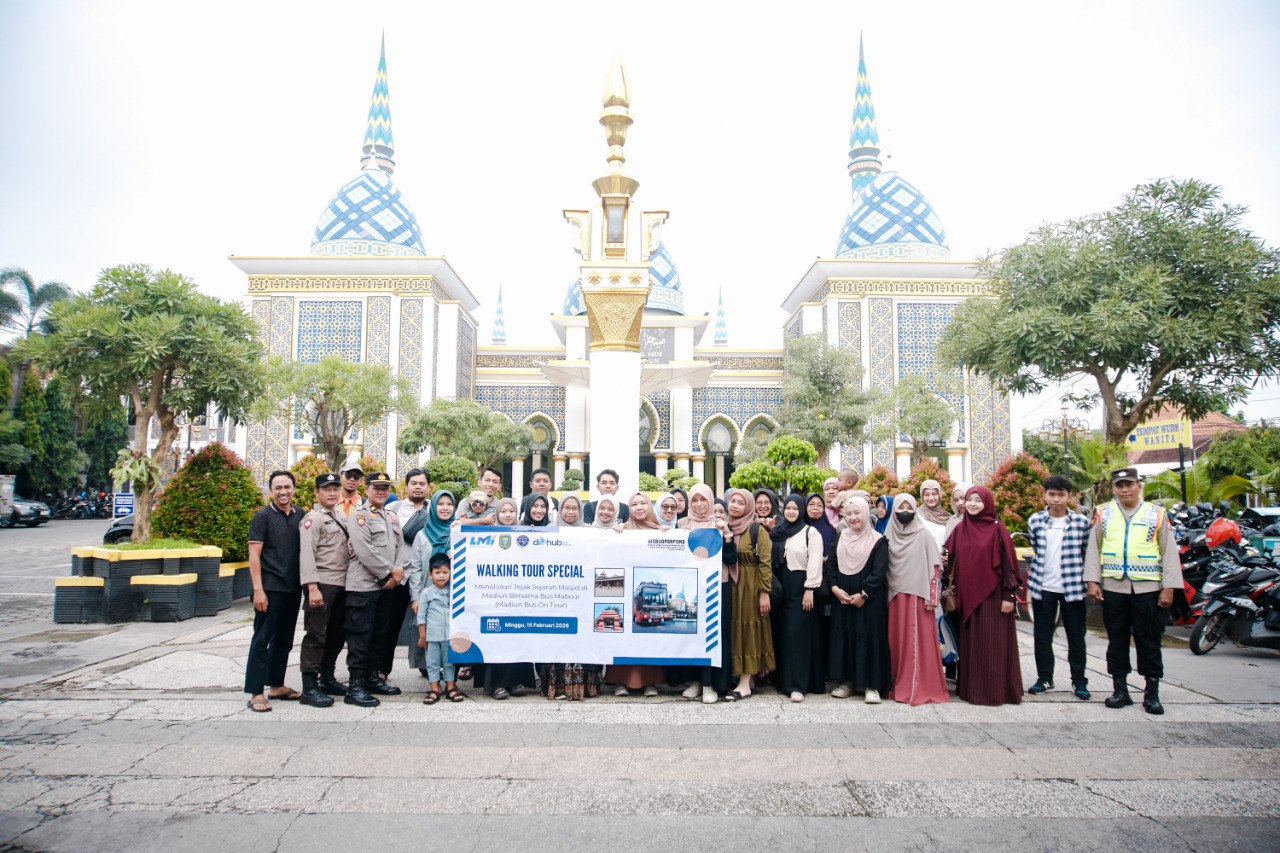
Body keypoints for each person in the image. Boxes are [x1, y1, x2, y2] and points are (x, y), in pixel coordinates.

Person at [1084, 467, 1183, 715]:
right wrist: (1092, 581)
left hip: (1149, 588)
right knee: (1116, 639)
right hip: (1114, 586)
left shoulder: (1156, 514)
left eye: (1129, 484)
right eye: (1119, 485)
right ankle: (1120, 690)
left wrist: (1169, 587)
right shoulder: (1104, 512)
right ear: (1114, 488)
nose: (1124, 489)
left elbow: (1169, 553)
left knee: (1148, 639)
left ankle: (1151, 694)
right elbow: (1093, 549)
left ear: (1139, 485)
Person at [944, 486, 1023, 707]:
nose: (973, 504)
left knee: (993, 644)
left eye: (978, 500)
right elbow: (952, 561)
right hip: (967, 597)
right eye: (970, 500)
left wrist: (1009, 596)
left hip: (994, 598)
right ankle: (972, 691)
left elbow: (1009, 565)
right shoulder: (960, 528)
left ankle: (996, 692)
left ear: (987, 503)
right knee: (972, 646)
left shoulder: (998, 529)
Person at [343, 471, 407, 707]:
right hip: (363, 587)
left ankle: (372, 678)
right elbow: (363, 549)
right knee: (360, 637)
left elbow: (400, 548)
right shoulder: (359, 515)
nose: (381, 491)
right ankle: (355, 686)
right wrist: (388, 572)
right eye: (376, 487)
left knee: (379, 637)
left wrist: (396, 573)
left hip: (387, 587)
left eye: (385, 488)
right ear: (367, 489)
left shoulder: (391, 516)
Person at [1026, 475, 1092, 700]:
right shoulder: (1035, 521)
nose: (1056, 500)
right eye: (1052, 495)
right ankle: (1045, 677)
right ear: (1044, 496)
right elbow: (1036, 547)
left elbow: (1086, 552)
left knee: (1076, 636)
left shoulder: (1081, 523)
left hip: (1072, 587)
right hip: (1042, 586)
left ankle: (1079, 680)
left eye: (1061, 495)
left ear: (1069, 497)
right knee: (1042, 636)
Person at [245, 471, 305, 713]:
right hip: (270, 589)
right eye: (278, 487)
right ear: (270, 490)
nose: (283, 492)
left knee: (284, 640)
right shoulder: (262, 517)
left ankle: (277, 685)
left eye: (287, 487)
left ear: (294, 489)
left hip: (292, 589)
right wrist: (258, 590)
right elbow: (254, 556)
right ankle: (256, 692)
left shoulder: (300, 514)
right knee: (261, 641)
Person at [672, 485, 734, 704]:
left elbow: (731, 559)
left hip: (717, 586)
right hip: (693, 588)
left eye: (703, 500)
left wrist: (726, 536)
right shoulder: (681, 524)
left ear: (710, 501)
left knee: (714, 635)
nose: (699, 504)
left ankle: (712, 684)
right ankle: (696, 682)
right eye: (694, 500)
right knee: (693, 634)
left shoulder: (718, 525)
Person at [885, 494, 948, 706]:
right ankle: (895, 684)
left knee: (915, 642)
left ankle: (916, 686)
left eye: (908, 506)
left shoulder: (923, 535)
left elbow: (935, 566)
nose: (904, 510)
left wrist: (932, 596)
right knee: (896, 641)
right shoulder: (888, 534)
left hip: (917, 597)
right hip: (894, 596)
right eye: (900, 506)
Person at [827, 497, 890, 704]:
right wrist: (835, 588)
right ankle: (848, 682)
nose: (853, 518)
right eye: (849, 513)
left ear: (865, 514)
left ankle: (871, 685)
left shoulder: (878, 540)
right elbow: (831, 566)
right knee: (846, 636)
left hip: (869, 601)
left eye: (857, 513)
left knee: (869, 636)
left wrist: (864, 595)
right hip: (843, 598)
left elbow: (878, 572)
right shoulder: (839, 537)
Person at [297, 472, 351, 708]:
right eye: (326, 489)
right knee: (316, 636)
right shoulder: (313, 519)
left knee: (337, 634)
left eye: (335, 489)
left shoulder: (339, 515)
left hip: (342, 583)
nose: (332, 493)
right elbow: (306, 554)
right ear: (317, 492)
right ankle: (309, 687)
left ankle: (327, 677)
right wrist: (311, 587)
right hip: (321, 585)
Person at [609, 493, 668, 697]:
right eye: (634, 504)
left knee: (648, 640)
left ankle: (650, 682)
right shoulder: (622, 530)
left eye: (643, 503)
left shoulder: (660, 531)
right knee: (623, 638)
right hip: (624, 592)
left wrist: (668, 535)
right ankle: (620, 682)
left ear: (650, 507)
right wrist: (614, 533)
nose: (639, 507)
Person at [724, 488, 775, 700]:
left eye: (740, 503)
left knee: (748, 630)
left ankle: (744, 682)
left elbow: (765, 563)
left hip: (751, 586)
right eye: (732, 501)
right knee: (735, 629)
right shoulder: (725, 527)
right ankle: (748, 677)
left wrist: (764, 593)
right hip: (730, 587)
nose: (735, 505)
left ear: (748, 507)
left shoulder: (756, 530)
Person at [775, 494, 824, 702]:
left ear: (801, 510)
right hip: (779, 586)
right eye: (788, 508)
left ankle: (798, 685)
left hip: (800, 587)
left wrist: (810, 588)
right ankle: (783, 682)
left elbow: (814, 561)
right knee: (783, 635)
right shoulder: (777, 532)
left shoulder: (810, 532)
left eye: (796, 508)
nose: (791, 512)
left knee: (798, 636)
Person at [407, 489, 456, 675]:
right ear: (433, 507)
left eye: (449, 504)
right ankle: (428, 669)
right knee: (425, 628)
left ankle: (451, 671)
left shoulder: (458, 531)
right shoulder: (422, 535)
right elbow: (416, 568)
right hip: (428, 591)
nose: (445, 508)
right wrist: (415, 597)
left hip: (452, 593)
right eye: (441, 504)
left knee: (449, 631)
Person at [417, 553, 464, 704]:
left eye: (445, 572)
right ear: (430, 575)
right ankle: (434, 689)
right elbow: (421, 617)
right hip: (431, 637)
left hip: (449, 636)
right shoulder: (426, 593)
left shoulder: (454, 591)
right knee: (432, 663)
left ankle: (450, 687)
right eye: (437, 573)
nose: (441, 576)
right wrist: (423, 636)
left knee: (449, 662)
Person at [917, 479, 952, 549]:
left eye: (934, 494)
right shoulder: (916, 515)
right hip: (924, 558)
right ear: (922, 496)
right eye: (926, 495)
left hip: (944, 558)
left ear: (939, 495)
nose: (931, 498)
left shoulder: (947, 517)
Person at [335, 452, 365, 519]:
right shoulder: (331, 502)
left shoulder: (365, 505)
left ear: (361, 480)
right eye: (348, 475)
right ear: (340, 476)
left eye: (356, 476)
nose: (352, 479)